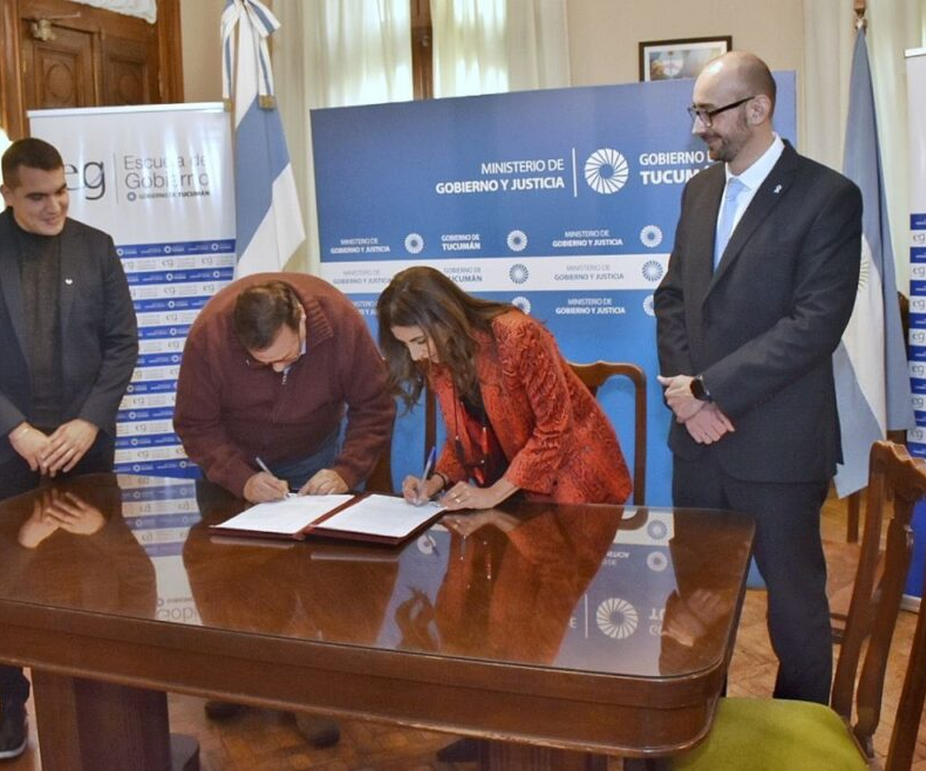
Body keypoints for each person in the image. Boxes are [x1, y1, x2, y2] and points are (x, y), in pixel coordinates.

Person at [653, 51, 862, 705]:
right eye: (694, 113)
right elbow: (672, 300)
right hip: (698, 446)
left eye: (708, 114)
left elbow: (813, 325)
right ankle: (695, 724)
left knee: (796, 614)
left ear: (758, 109)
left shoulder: (828, 197)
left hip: (778, 450)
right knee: (697, 604)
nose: (698, 129)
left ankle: (805, 731)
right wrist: (688, 401)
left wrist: (709, 390)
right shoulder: (699, 192)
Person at [0, 137, 138, 760]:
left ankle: (97, 691)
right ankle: (9, 700)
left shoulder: (96, 246)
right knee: (6, 581)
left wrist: (89, 422)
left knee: (95, 571)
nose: (55, 207)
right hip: (7, 454)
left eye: (62, 192)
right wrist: (17, 430)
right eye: (38, 197)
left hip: (83, 452)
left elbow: (122, 345)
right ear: (8, 194)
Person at [173, 272, 395, 746]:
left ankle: (309, 694)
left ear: (300, 319)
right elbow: (195, 424)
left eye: (287, 358)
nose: (277, 370)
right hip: (232, 462)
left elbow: (374, 406)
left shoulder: (339, 322)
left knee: (314, 581)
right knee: (227, 578)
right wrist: (241, 478)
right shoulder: (210, 335)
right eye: (263, 363)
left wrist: (346, 470)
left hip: (314, 456)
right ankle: (236, 682)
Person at [377, 266, 632, 512]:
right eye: (406, 344)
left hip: (573, 489)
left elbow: (555, 428)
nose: (416, 354)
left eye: (420, 340)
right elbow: (464, 436)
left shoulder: (517, 335)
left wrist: (493, 494)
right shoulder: (439, 357)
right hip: (509, 496)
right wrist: (436, 481)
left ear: (445, 317)